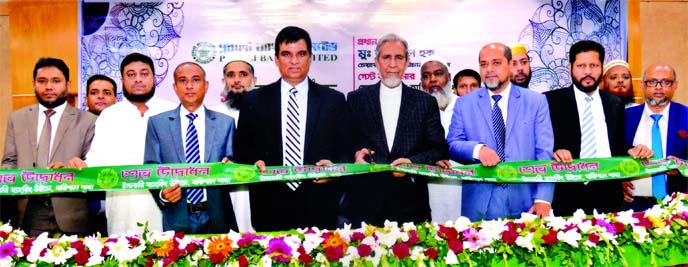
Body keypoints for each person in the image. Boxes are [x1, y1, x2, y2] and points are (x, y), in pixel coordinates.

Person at [234, 26, 351, 231]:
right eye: (287, 54)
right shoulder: (253, 100)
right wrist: (254, 161)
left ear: (311, 58)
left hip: (320, 204)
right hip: (269, 205)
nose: (294, 61)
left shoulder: (333, 100)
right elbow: (242, 146)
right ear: (276, 59)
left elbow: (346, 148)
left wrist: (334, 168)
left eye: (301, 54)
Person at [68, 53, 176, 234]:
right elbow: (98, 160)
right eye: (131, 75)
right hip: (122, 209)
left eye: (144, 73)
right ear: (122, 79)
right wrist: (81, 165)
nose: (138, 79)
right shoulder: (110, 115)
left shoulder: (172, 110)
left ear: (154, 78)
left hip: (167, 205)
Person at [347, 33, 448, 226]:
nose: (393, 64)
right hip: (366, 205)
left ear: (407, 62)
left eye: (399, 57)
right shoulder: (356, 99)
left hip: (411, 205)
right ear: (376, 61)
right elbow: (344, 142)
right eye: (386, 57)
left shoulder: (424, 102)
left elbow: (439, 150)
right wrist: (355, 155)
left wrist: (411, 163)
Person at [447, 43, 554, 221]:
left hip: (526, 201)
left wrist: (543, 197)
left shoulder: (536, 102)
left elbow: (544, 153)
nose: (489, 69)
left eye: (496, 63)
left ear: (510, 64)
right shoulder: (465, 104)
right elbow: (452, 144)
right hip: (479, 204)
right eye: (483, 64)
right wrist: (477, 150)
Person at [544, 40, 652, 216]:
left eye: (593, 65)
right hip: (566, 194)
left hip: (608, 195)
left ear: (601, 67)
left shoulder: (614, 103)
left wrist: (633, 150)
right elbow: (539, 146)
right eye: (581, 65)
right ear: (570, 66)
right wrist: (554, 151)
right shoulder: (550, 101)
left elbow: (615, 147)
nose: (587, 72)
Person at [2, 57, 97, 236]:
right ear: (33, 84)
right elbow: (9, 162)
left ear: (67, 85)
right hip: (29, 211)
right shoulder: (17, 118)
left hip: (72, 212)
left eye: (56, 81)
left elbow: (92, 165)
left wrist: (72, 169)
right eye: (42, 81)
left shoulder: (88, 121)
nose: (48, 87)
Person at [145, 62, 238, 234]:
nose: (189, 86)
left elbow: (235, 162)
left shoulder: (226, 123)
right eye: (182, 80)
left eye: (196, 80)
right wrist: (162, 194)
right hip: (176, 216)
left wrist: (232, 167)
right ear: (175, 87)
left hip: (218, 217)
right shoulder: (157, 124)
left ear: (206, 85)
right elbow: (151, 168)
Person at [623, 63, 688, 211]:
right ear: (643, 85)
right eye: (652, 82)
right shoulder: (625, 117)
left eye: (665, 82)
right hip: (632, 205)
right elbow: (612, 154)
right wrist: (618, 182)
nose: (658, 87)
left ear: (675, 86)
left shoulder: (686, 116)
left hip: (677, 204)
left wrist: (681, 166)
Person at [209, 59, 256, 233]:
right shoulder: (212, 114)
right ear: (224, 82)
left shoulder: (267, 113)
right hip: (223, 193)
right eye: (231, 75)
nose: (237, 80)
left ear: (254, 80)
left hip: (257, 190)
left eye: (243, 74)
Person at [419, 55, 461, 223]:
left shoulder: (465, 106)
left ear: (449, 77)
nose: (433, 80)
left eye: (438, 74)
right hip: (428, 186)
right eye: (426, 76)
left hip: (463, 185)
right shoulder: (415, 110)